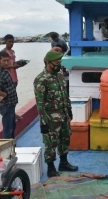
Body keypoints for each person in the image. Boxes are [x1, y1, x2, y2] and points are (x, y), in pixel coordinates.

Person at [34, 50, 78, 178]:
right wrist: (43, 122)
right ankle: (51, 168)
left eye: (60, 62)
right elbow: (40, 103)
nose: (59, 65)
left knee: (65, 139)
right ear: (48, 63)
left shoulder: (59, 76)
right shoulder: (41, 80)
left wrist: (69, 110)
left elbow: (65, 95)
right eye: (56, 62)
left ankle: (63, 163)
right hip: (50, 118)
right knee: (51, 143)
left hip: (63, 115)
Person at [0, 51, 18, 138]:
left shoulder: (5, 70)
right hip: (6, 105)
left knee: (11, 128)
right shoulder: (0, 73)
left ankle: (12, 148)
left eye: (7, 60)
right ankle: (8, 150)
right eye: (4, 61)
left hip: (10, 105)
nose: (6, 63)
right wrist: (4, 94)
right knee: (8, 130)